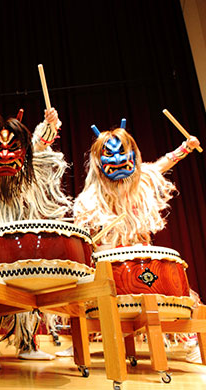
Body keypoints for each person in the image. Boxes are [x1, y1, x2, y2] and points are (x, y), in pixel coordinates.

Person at [73, 118, 201, 362]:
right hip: (108, 261)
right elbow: (85, 231)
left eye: (122, 153)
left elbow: (163, 163)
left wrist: (186, 147)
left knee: (170, 290)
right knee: (88, 293)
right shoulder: (90, 198)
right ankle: (82, 338)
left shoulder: (142, 179)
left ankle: (189, 340)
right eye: (109, 155)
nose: (118, 160)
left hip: (140, 257)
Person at [0, 106, 71, 360]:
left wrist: (50, 124)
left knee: (30, 290)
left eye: (13, 148)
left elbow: (40, 143)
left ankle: (28, 344)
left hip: (23, 246)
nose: (4, 154)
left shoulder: (28, 178)